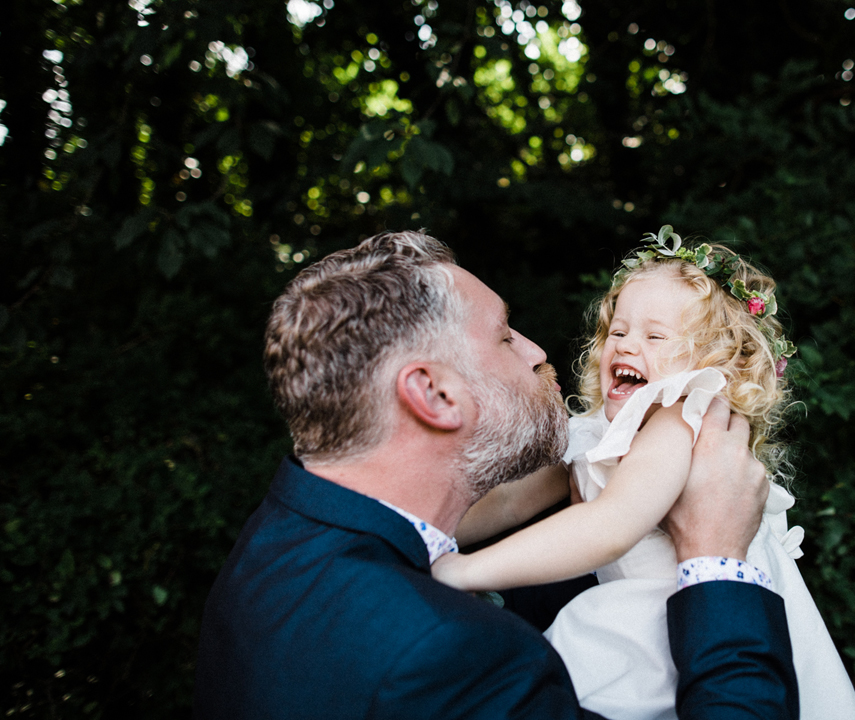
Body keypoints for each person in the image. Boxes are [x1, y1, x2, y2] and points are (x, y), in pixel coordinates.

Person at [193, 230, 799, 720]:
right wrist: (720, 560)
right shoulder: (452, 655)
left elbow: (528, 506)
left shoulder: (274, 547)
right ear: (433, 393)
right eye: (506, 336)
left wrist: (444, 565)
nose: (538, 350)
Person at [432, 227, 855, 720]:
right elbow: (510, 501)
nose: (626, 346)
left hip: (676, 633)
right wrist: (425, 532)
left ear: (713, 362)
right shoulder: (598, 433)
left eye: (655, 336)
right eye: (617, 331)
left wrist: (464, 571)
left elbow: (612, 526)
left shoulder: (680, 419)